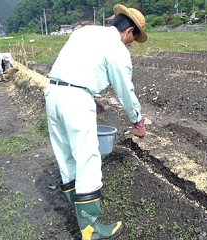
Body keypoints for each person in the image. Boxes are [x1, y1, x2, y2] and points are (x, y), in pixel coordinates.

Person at [44, 4, 147, 240]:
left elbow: (77, 67)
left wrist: (88, 95)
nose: (131, 44)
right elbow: (125, 90)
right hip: (75, 101)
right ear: (129, 31)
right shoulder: (117, 48)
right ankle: (92, 229)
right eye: (134, 39)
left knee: (66, 155)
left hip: (53, 93)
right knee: (88, 159)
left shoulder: (85, 32)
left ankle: (79, 215)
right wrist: (137, 120)